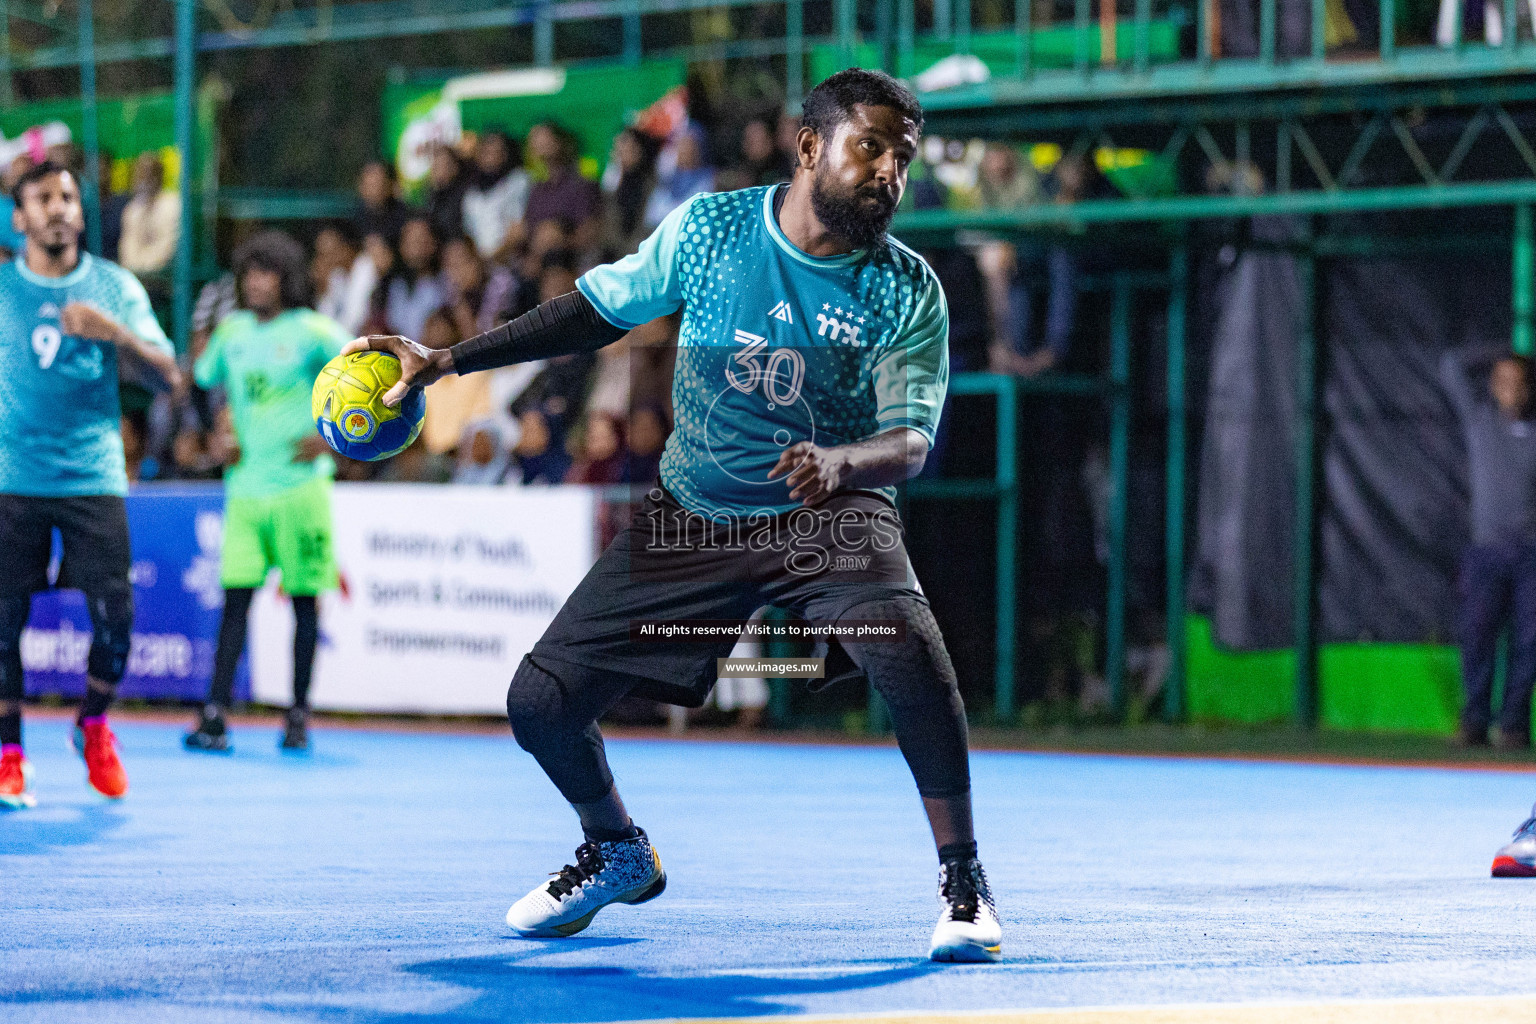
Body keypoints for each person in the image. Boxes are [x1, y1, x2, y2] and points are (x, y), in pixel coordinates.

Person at [348, 69, 1001, 962]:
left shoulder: (905, 289)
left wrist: (841, 462)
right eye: (870, 148)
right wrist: (450, 358)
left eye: (901, 155)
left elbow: (911, 440)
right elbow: (594, 311)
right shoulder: (711, 231)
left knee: (913, 657)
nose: (888, 170)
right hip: (696, 513)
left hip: (832, 519)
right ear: (811, 147)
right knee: (539, 704)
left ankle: (964, 884)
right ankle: (617, 847)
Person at [0, 161, 181, 808]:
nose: (58, 207)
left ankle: (93, 723)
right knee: (3, 622)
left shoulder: (114, 286)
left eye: (68, 197)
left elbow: (171, 379)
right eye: (43, 198)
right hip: (12, 477)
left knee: (116, 621)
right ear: (19, 217)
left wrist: (116, 334)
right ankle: (9, 754)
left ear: (81, 212)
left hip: (93, 475)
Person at [183, 231, 349, 754]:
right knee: (235, 603)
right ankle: (214, 715)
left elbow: (367, 381)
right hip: (246, 489)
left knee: (304, 605)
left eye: (267, 271)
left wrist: (332, 436)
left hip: (302, 491)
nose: (256, 281)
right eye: (249, 272)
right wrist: (217, 433)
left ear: (287, 277)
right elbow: (200, 380)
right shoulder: (230, 331)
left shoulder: (316, 331)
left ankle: (297, 716)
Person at [1441, 347, 1536, 752]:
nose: (1509, 389)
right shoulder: (1479, 421)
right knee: (1477, 637)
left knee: (1529, 641)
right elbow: (1450, 365)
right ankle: (1475, 721)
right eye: (1502, 381)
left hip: (1531, 555)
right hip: (1485, 553)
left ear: (1529, 388)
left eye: (1517, 381)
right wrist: (1500, 355)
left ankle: (1512, 726)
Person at [462, 130, 530, 264]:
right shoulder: (472, 193)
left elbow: (517, 231)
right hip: (481, 265)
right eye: (486, 152)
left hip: (512, 261)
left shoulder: (518, 181)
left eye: (497, 151)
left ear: (507, 154)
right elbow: (469, 235)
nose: (491, 156)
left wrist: (492, 259)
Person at [117, 152, 181, 278]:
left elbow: (166, 251)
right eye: (140, 175)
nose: (144, 179)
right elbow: (127, 250)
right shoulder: (132, 209)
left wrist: (140, 269)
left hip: (166, 279)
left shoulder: (173, 205)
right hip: (136, 277)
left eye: (149, 174)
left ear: (160, 176)